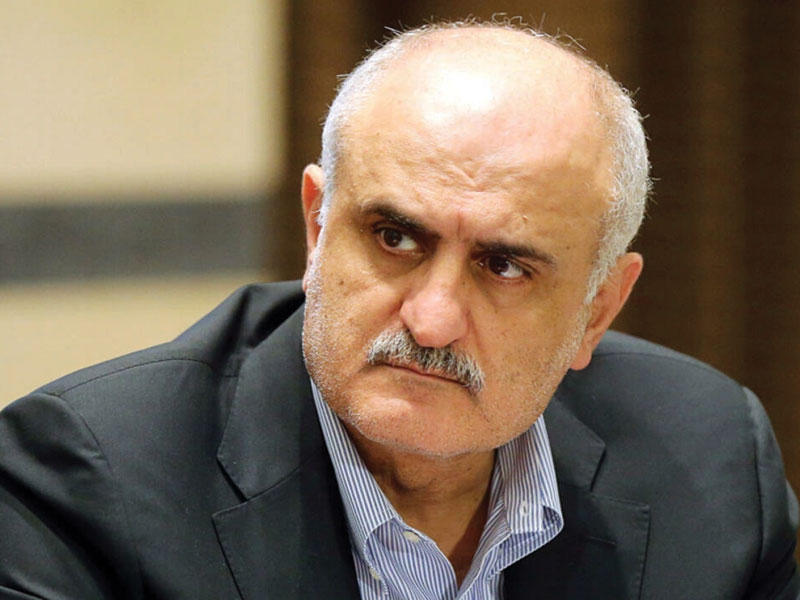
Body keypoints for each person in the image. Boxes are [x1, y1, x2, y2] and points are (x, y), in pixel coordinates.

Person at [1, 20, 797, 600]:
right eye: (394, 237)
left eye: (504, 265)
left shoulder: (711, 462)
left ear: (599, 308)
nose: (433, 319)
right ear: (317, 228)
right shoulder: (85, 483)